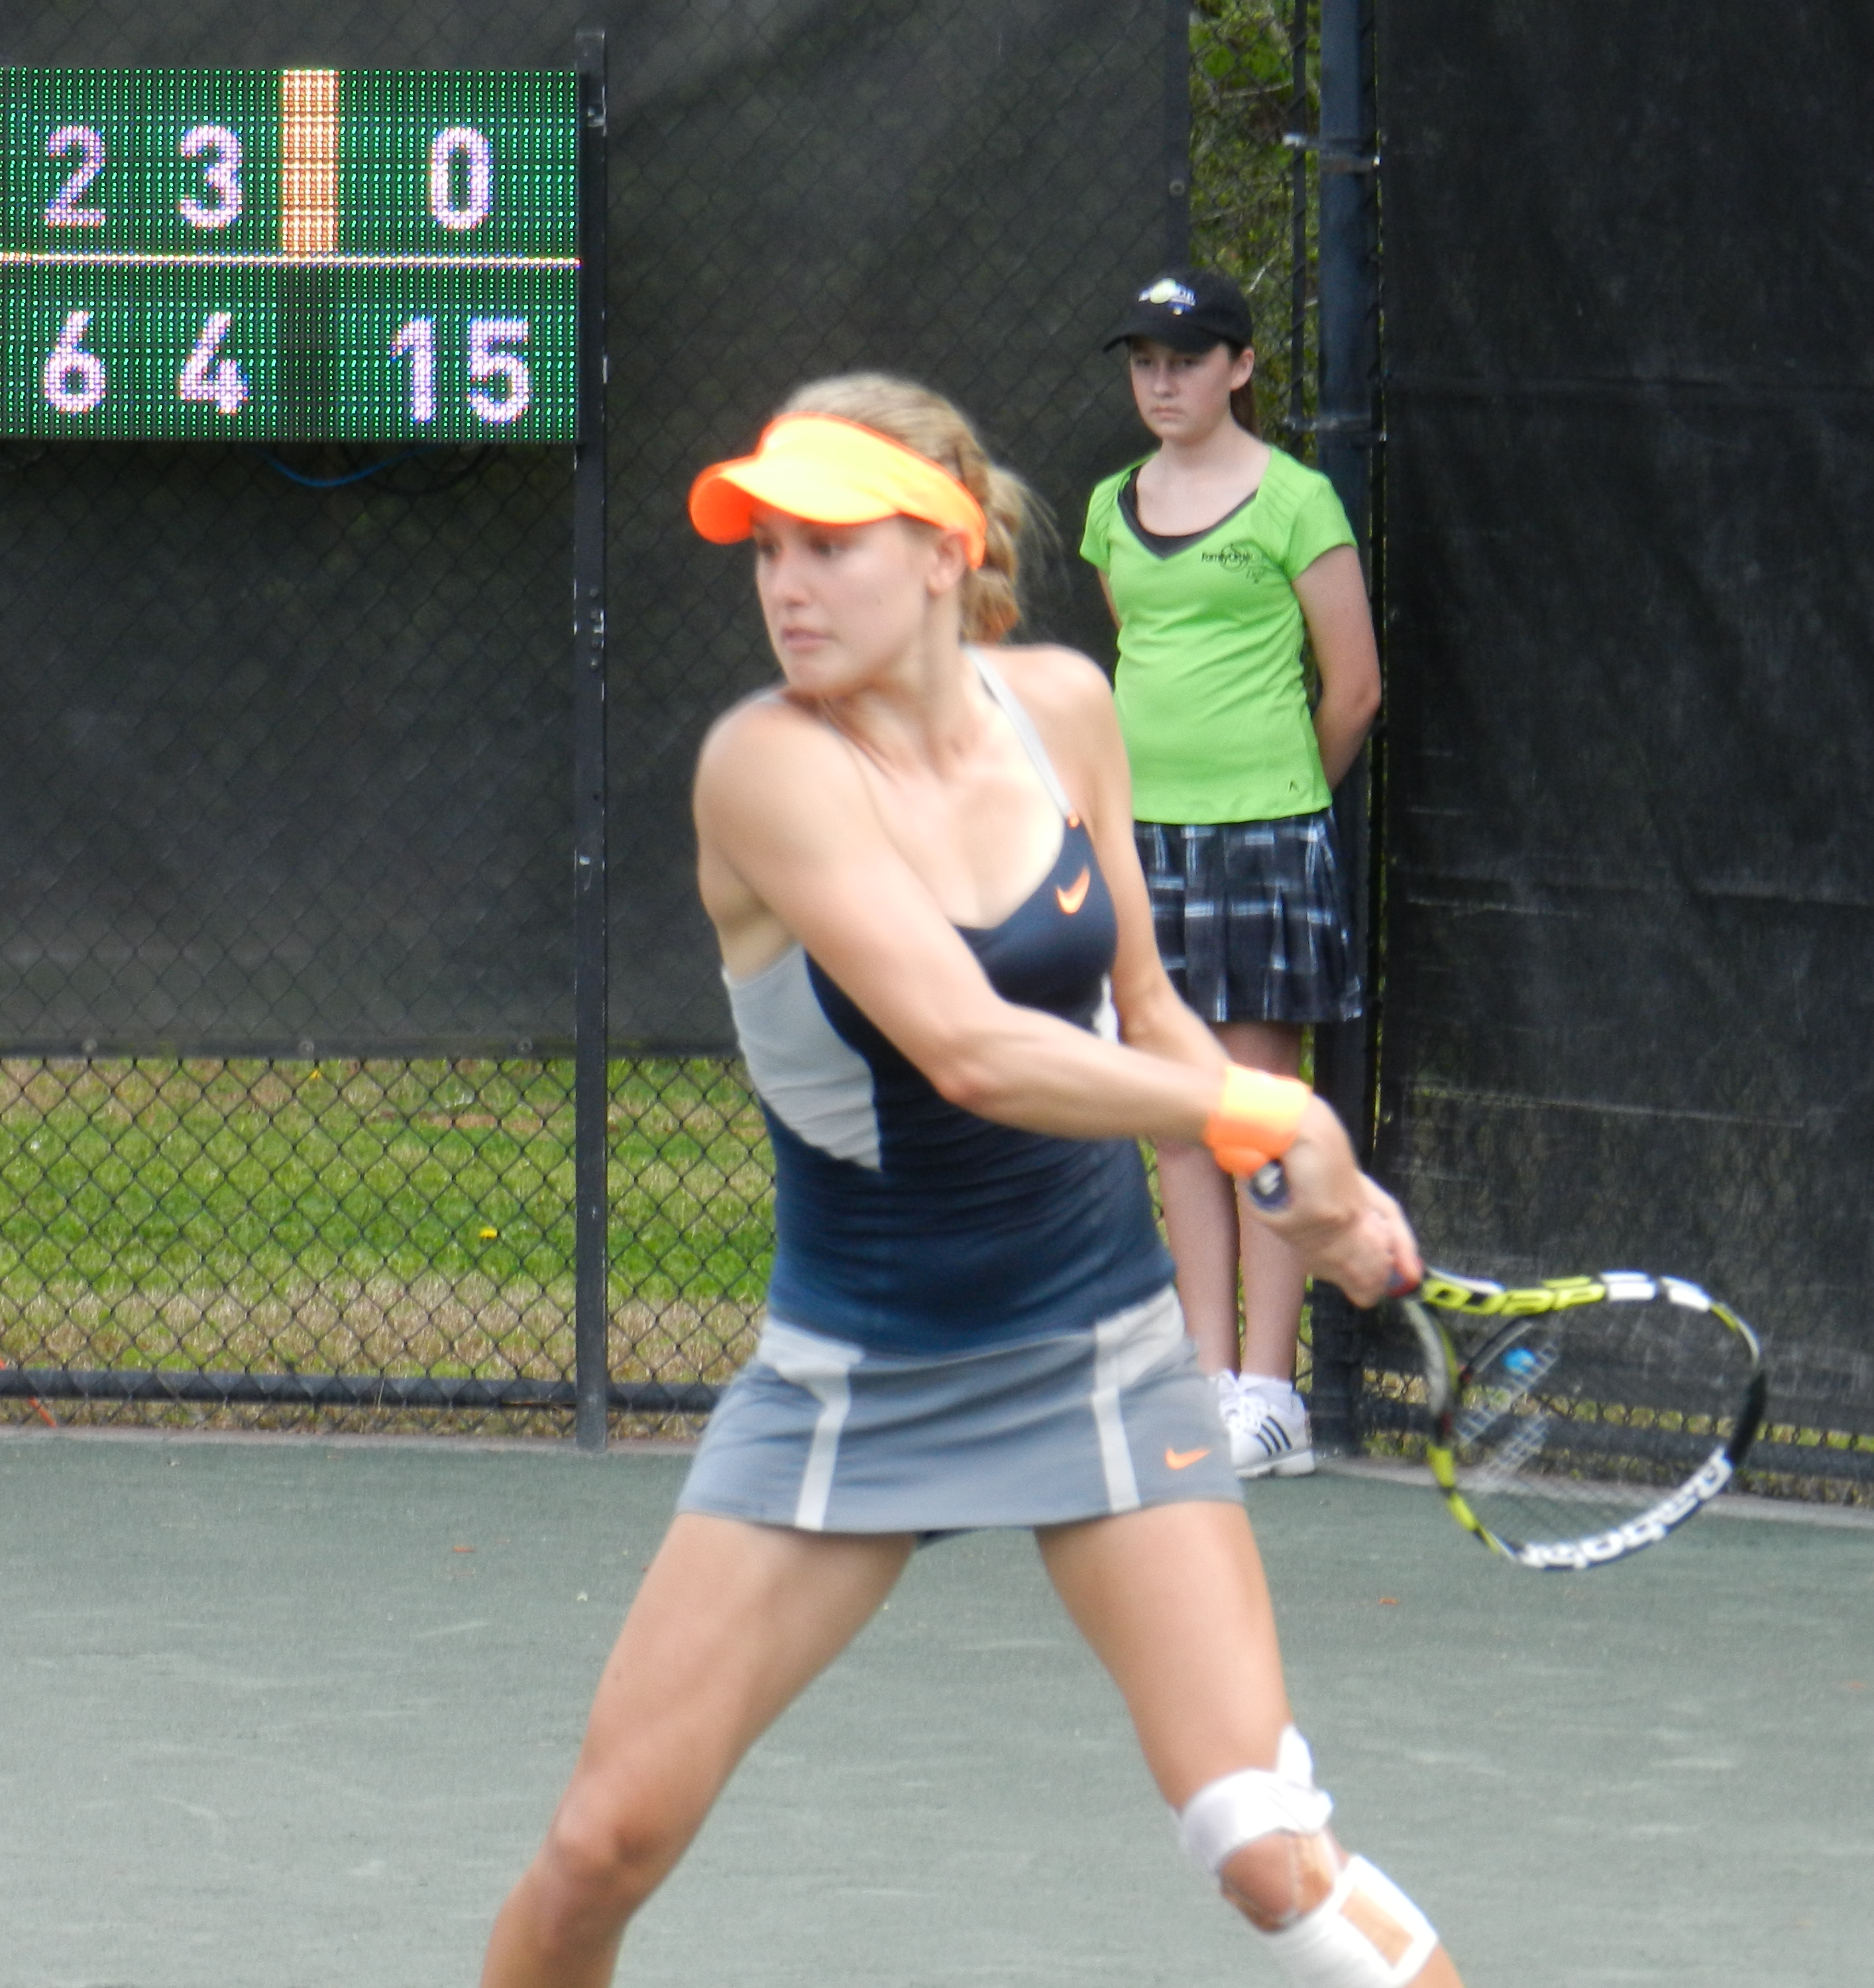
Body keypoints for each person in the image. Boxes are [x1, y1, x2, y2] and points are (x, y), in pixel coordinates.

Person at [477, 376, 1463, 1988]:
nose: (786, 585)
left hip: (1105, 1356)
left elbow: (1143, 1011)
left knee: (1262, 1844)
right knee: (601, 1848)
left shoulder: (1065, 708)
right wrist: (1261, 1112)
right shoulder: (764, 769)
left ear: (944, 552)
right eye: (766, 550)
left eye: (831, 544)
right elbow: (971, 1050)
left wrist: (1306, 1186)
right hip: (853, 1382)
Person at [1081, 268, 1382, 1482]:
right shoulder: (1110, 506)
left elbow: (1353, 688)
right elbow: (1136, 651)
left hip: (1266, 836)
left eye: (1188, 360)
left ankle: (1272, 1393)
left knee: (1258, 1110)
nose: (1163, 383)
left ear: (1240, 368)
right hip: (1143, 842)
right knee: (1179, 1115)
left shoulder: (1299, 501)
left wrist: (1280, 799)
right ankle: (1207, 1380)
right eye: (1146, 363)